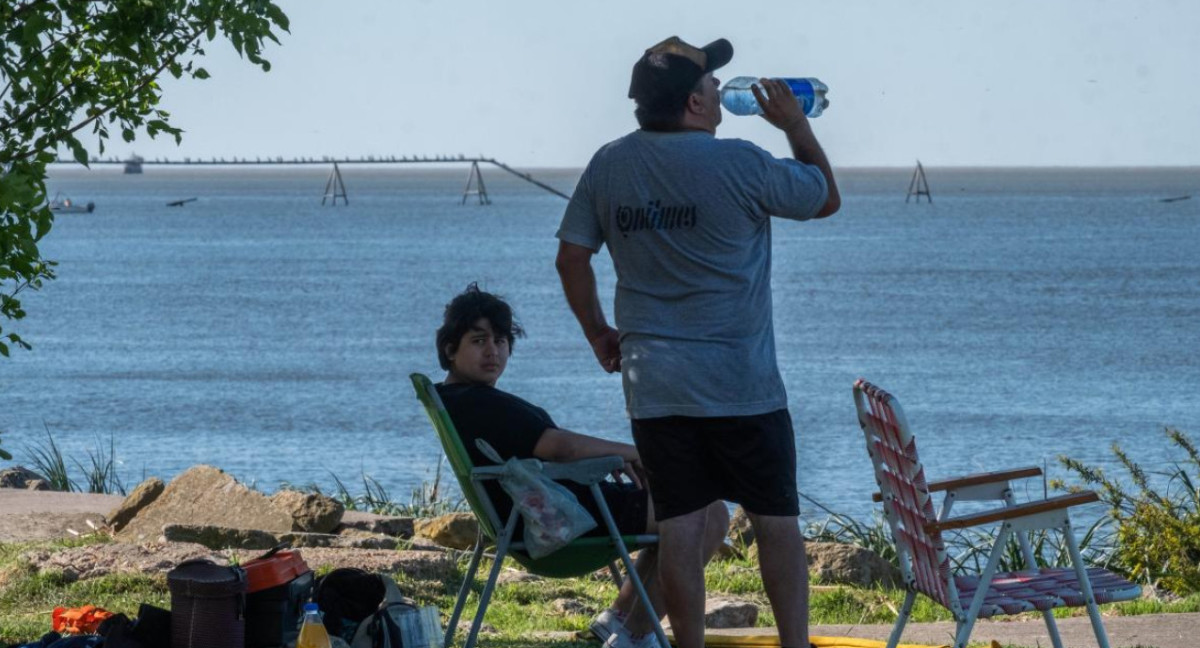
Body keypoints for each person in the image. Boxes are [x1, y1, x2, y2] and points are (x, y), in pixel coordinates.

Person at [555, 36, 840, 648]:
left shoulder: (609, 163)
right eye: (712, 85)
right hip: (742, 385)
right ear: (693, 103)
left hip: (655, 386)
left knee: (681, 528)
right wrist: (793, 125)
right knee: (775, 523)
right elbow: (824, 196)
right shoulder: (741, 162)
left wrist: (598, 332)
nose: (719, 92)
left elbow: (571, 258)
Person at [434, 283, 728, 648]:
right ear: (450, 349)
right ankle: (634, 636)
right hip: (562, 521)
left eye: (500, 340)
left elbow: (554, 450)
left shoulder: (461, 399)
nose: (493, 351)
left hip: (544, 510)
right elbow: (561, 448)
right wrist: (632, 453)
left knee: (676, 507)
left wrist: (615, 459)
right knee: (708, 513)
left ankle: (620, 619)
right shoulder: (480, 404)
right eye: (479, 341)